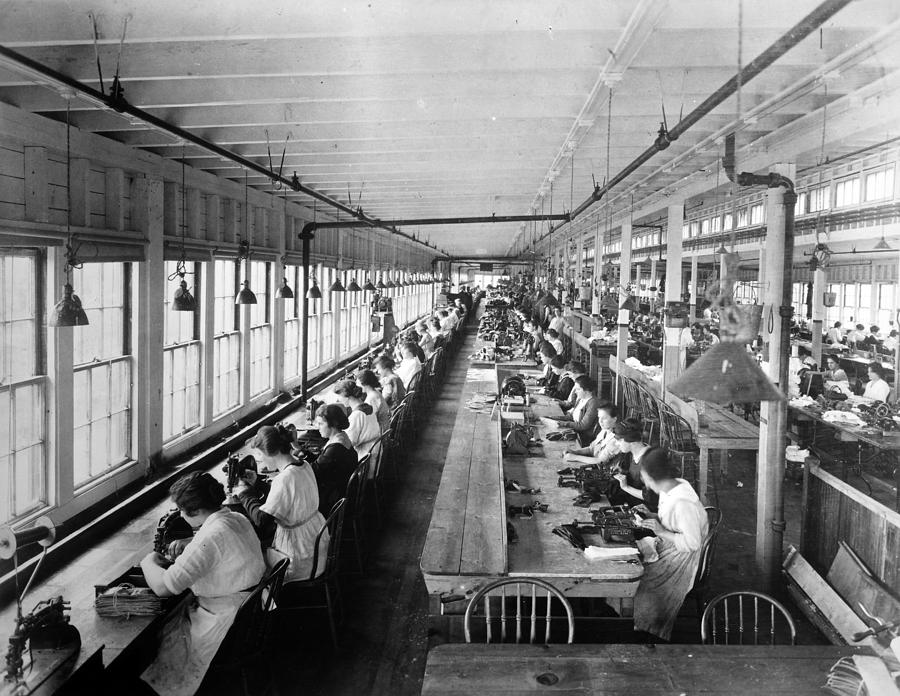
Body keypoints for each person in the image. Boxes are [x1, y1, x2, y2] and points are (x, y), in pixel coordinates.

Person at [139, 472, 266, 696]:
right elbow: (218, 540)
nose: (180, 514)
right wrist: (191, 542)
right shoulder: (236, 517)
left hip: (228, 624)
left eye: (181, 510)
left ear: (195, 511)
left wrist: (148, 562)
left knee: (161, 633)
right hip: (250, 611)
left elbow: (163, 587)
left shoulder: (211, 536)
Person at [633, 448, 708, 641]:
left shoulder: (683, 503)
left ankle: (648, 628)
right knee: (633, 553)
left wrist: (661, 531)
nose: (645, 483)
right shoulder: (672, 486)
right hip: (672, 542)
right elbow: (670, 519)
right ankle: (633, 618)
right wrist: (651, 517)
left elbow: (693, 542)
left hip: (684, 556)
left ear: (653, 477)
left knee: (641, 578)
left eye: (645, 478)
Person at [237, 424, 328, 582]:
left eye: (260, 455)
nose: (261, 461)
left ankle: (268, 602)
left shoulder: (284, 479)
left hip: (300, 560)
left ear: (271, 453)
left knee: (247, 562)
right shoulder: (303, 465)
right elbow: (290, 494)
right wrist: (257, 482)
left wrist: (244, 494)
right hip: (316, 548)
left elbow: (261, 520)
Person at [310, 403, 358, 515]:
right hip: (343, 490)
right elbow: (321, 462)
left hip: (333, 500)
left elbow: (313, 471)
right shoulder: (341, 436)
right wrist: (298, 448)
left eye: (321, 424)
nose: (318, 427)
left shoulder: (335, 448)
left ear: (333, 424)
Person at [609, 419, 658, 511]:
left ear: (631, 442)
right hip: (631, 500)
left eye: (619, 441)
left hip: (646, 509)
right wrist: (622, 472)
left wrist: (625, 487)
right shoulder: (632, 452)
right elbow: (634, 476)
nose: (617, 443)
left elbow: (651, 497)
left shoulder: (649, 461)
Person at [334, 379, 381, 456]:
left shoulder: (356, 415)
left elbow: (350, 442)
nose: (338, 400)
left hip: (364, 456)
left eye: (339, 396)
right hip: (375, 450)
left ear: (346, 397)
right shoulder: (368, 406)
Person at [558, 375, 602, 447]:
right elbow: (571, 417)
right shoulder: (581, 399)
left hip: (583, 438)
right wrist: (552, 418)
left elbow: (583, 426)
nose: (575, 392)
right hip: (574, 431)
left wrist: (563, 424)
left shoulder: (593, 403)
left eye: (578, 389)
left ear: (586, 390)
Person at [357, 368, 391, 432]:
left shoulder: (371, 398)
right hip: (385, 425)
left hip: (381, 431)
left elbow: (370, 421)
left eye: (358, 384)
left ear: (364, 384)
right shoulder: (375, 392)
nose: (357, 386)